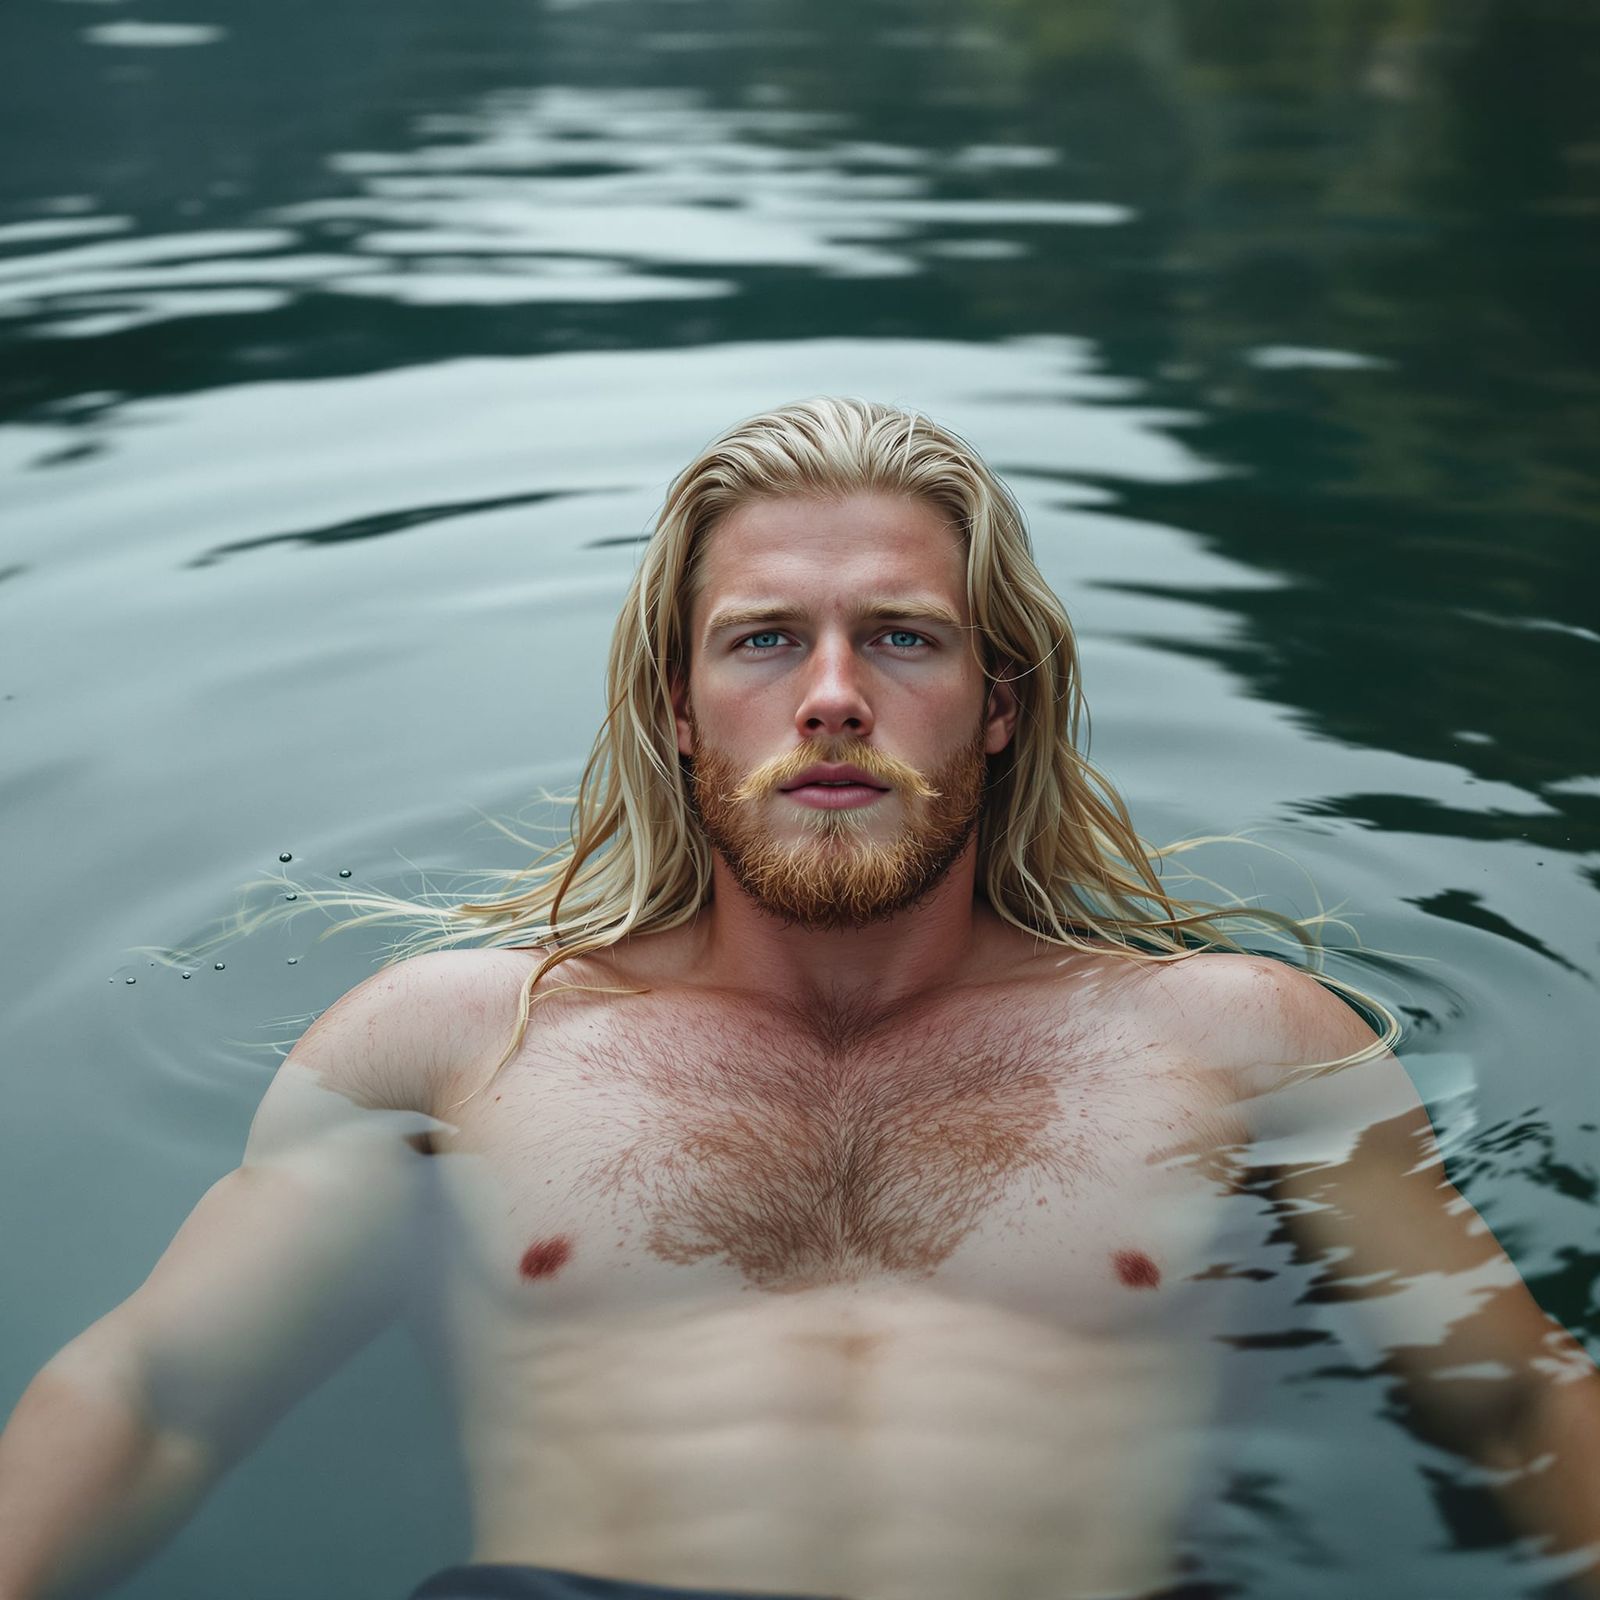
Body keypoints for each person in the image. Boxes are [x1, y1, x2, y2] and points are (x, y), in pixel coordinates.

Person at [1, 399, 1595, 1600]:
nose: (833, 696)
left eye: (902, 637)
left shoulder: (1243, 1045)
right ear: (678, 711)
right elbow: (155, 1398)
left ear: (997, 709)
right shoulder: (455, 1042)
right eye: (765, 640)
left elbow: (1518, 1397)